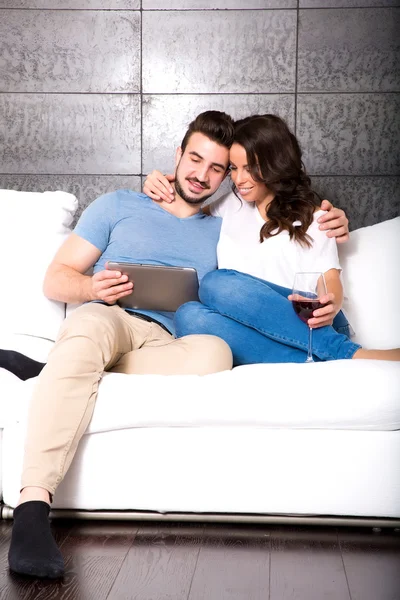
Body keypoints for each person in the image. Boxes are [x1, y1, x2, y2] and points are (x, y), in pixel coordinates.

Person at [8, 110, 349, 580]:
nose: (202, 175)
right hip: (108, 315)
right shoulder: (118, 205)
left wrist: (331, 218)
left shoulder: (227, 225)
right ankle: (32, 506)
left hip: (171, 336)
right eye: (194, 160)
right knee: (89, 331)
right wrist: (91, 290)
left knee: (217, 353)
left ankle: (58, 367)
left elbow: (290, 218)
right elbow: (55, 278)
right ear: (176, 156)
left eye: (217, 168)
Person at [144, 114, 400, 364]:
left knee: (217, 283)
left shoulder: (314, 216)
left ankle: (348, 353)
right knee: (189, 316)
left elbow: (329, 279)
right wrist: (162, 186)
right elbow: (185, 215)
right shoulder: (231, 205)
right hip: (268, 338)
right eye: (234, 168)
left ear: (273, 165)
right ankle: (314, 362)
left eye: (250, 169)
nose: (239, 180)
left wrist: (330, 304)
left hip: (313, 325)